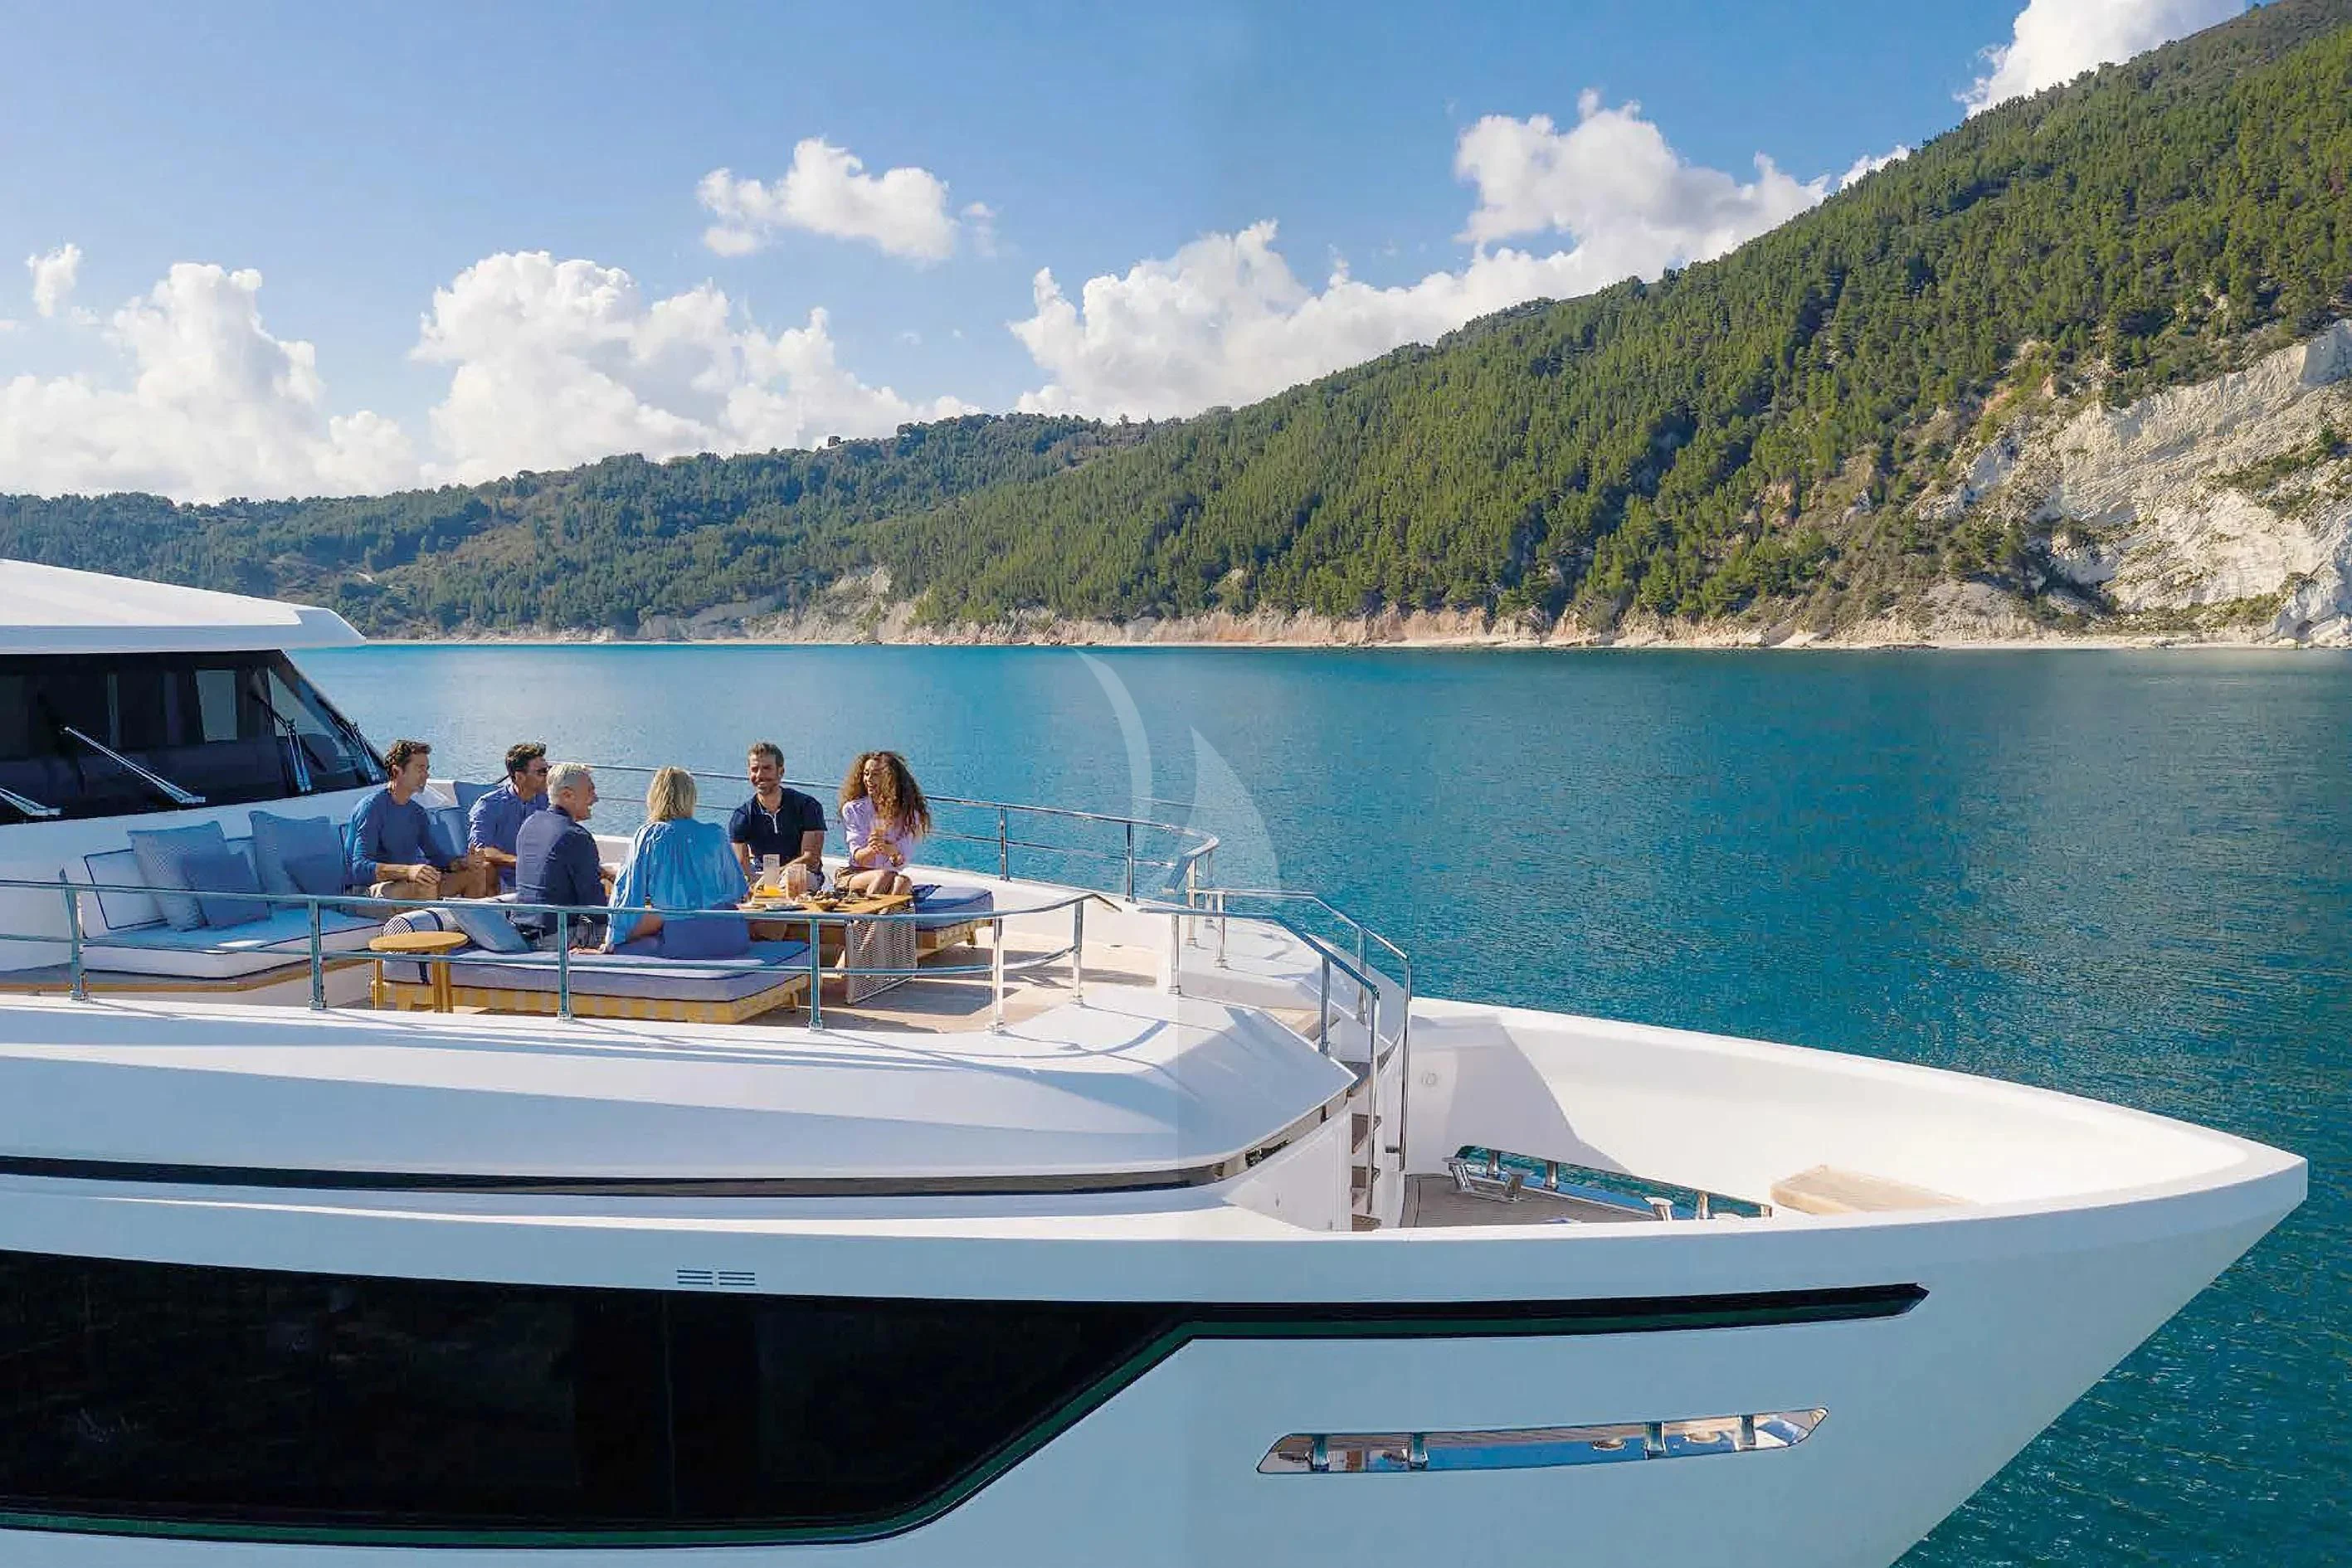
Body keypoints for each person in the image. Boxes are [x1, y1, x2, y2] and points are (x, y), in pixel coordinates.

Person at [607, 767, 747, 947]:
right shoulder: (716, 834)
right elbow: (735, 891)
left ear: (654, 797)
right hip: (731, 936)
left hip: (686, 942)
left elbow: (626, 897)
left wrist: (612, 941)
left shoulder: (650, 835)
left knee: (636, 936)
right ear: (691, 797)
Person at [348, 738, 494, 901]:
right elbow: (359, 868)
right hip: (366, 892)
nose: (426, 775)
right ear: (397, 772)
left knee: (476, 874)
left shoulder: (417, 812)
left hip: (409, 882)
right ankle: (427, 925)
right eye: (420, 769)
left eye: (427, 769)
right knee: (423, 886)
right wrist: (408, 872)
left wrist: (463, 863)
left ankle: (466, 926)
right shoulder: (371, 808)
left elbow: (436, 857)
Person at [513, 762, 607, 947]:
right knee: (639, 931)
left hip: (523, 929)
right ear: (567, 794)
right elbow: (596, 910)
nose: (595, 798)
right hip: (557, 937)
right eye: (590, 791)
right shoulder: (577, 836)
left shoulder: (529, 824)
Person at [728, 742, 827, 894]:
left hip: (802, 874)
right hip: (761, 876)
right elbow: (742, 864)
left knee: (793, 879)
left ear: (781, 772)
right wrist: (755, 882)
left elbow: (811, 860)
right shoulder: (742, 815)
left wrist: (773, 876)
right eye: (755, 769)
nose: (760, 775)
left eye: (767, 768)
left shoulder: (807, 806)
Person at [838, 750, 932, 898]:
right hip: (855, 875)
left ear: (891, 779)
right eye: (866, 774)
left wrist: (892, 852)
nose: (868, 779)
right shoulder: (853, 809)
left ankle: (877, 922)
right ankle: (871, 919)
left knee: (903, 881)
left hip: (890, 876)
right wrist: (872, 849)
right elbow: (858, 858)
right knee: (884, 875)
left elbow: (901, 861)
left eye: (875, 775)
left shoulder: (908, 815)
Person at [466, 741, 550, 889]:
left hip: (542, 877)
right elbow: (481, 849)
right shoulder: (489, 805)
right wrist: (520, 863)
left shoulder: (549, 803)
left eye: (548, 770)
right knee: (486, 868)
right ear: (520, 777)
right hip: (503, 879)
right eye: (542, 772)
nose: (548, 776)